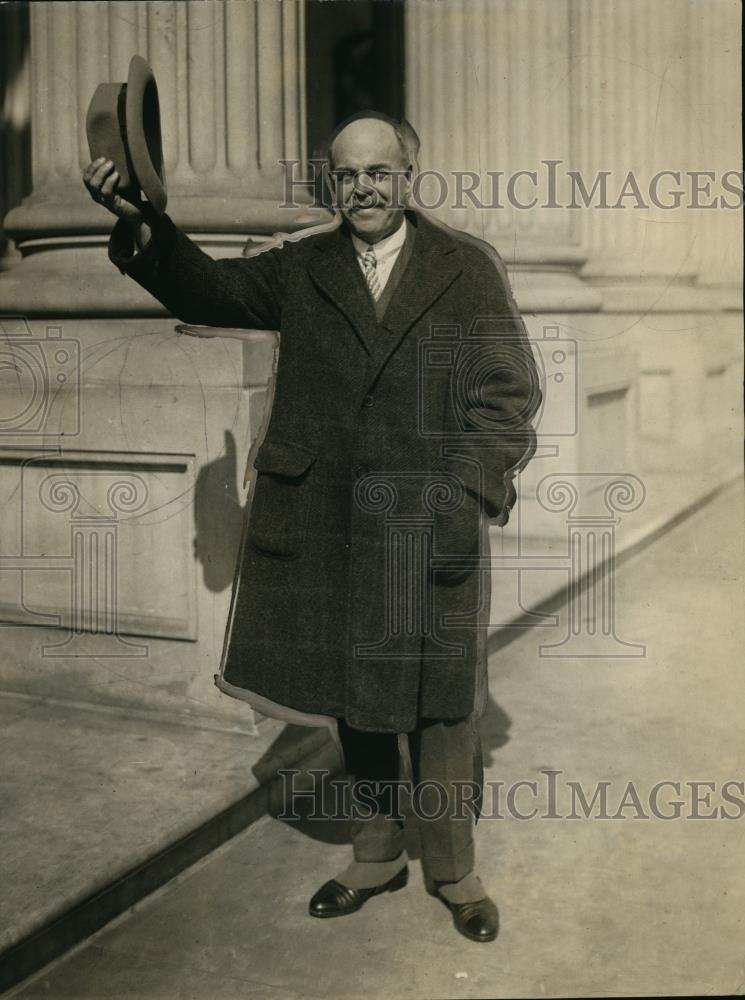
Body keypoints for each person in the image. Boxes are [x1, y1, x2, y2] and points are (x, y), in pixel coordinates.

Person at [83, 112, 541, 944]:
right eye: (347, 174)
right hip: (329, 518)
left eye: (380, 172)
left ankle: (452, 870)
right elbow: (207, 292)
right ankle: (374, 855)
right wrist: (141, 224)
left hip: (428, 518)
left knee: (439, 707)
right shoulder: (302, 266)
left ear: (409, 174)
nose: (364, 187)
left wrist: (464, 493)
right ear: (332, 183)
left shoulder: (463, 268)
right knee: (355, 696)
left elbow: (506, 397)